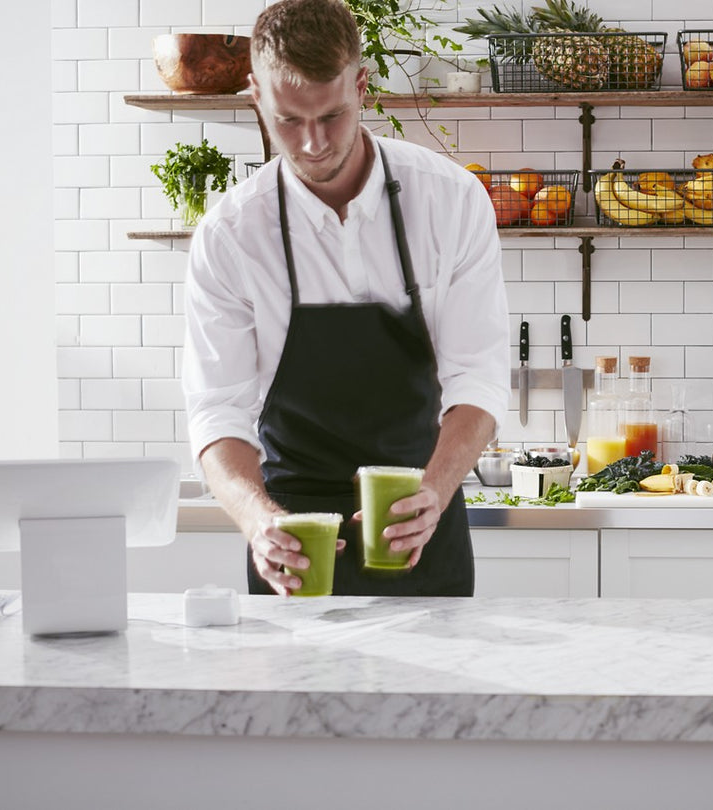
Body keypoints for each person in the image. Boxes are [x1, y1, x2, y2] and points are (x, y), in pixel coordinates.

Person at [182, 0, 509, 597]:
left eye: (331, 116)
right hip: (293, 535)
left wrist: (434, 492)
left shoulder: (451, 201)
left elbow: (479, 379)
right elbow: (217, 409)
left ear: (361, 84)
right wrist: (259, 521)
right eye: (288, 120)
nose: (311, 144)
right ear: (255, 94)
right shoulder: (230, 234)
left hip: (421, 519)